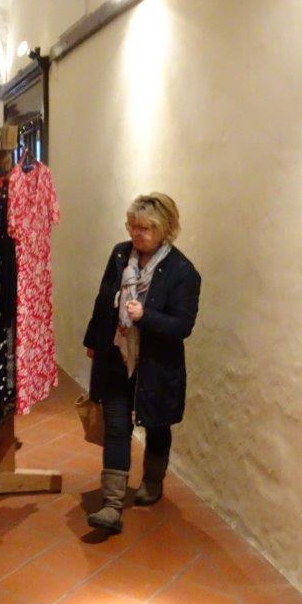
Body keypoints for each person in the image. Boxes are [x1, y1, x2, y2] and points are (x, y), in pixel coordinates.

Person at [83, 193, 200, 533]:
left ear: (165, 229)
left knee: (156, 424)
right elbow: (103, 299)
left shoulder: (182, 271)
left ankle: (152, 480)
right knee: (117, 426)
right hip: (118, 354)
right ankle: (112, 503)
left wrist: (145, 316)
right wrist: (93, 341)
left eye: (145, 228)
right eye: (132, 226)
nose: (136, 233)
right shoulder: (120, 255)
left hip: (157, 364)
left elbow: (183, 326)